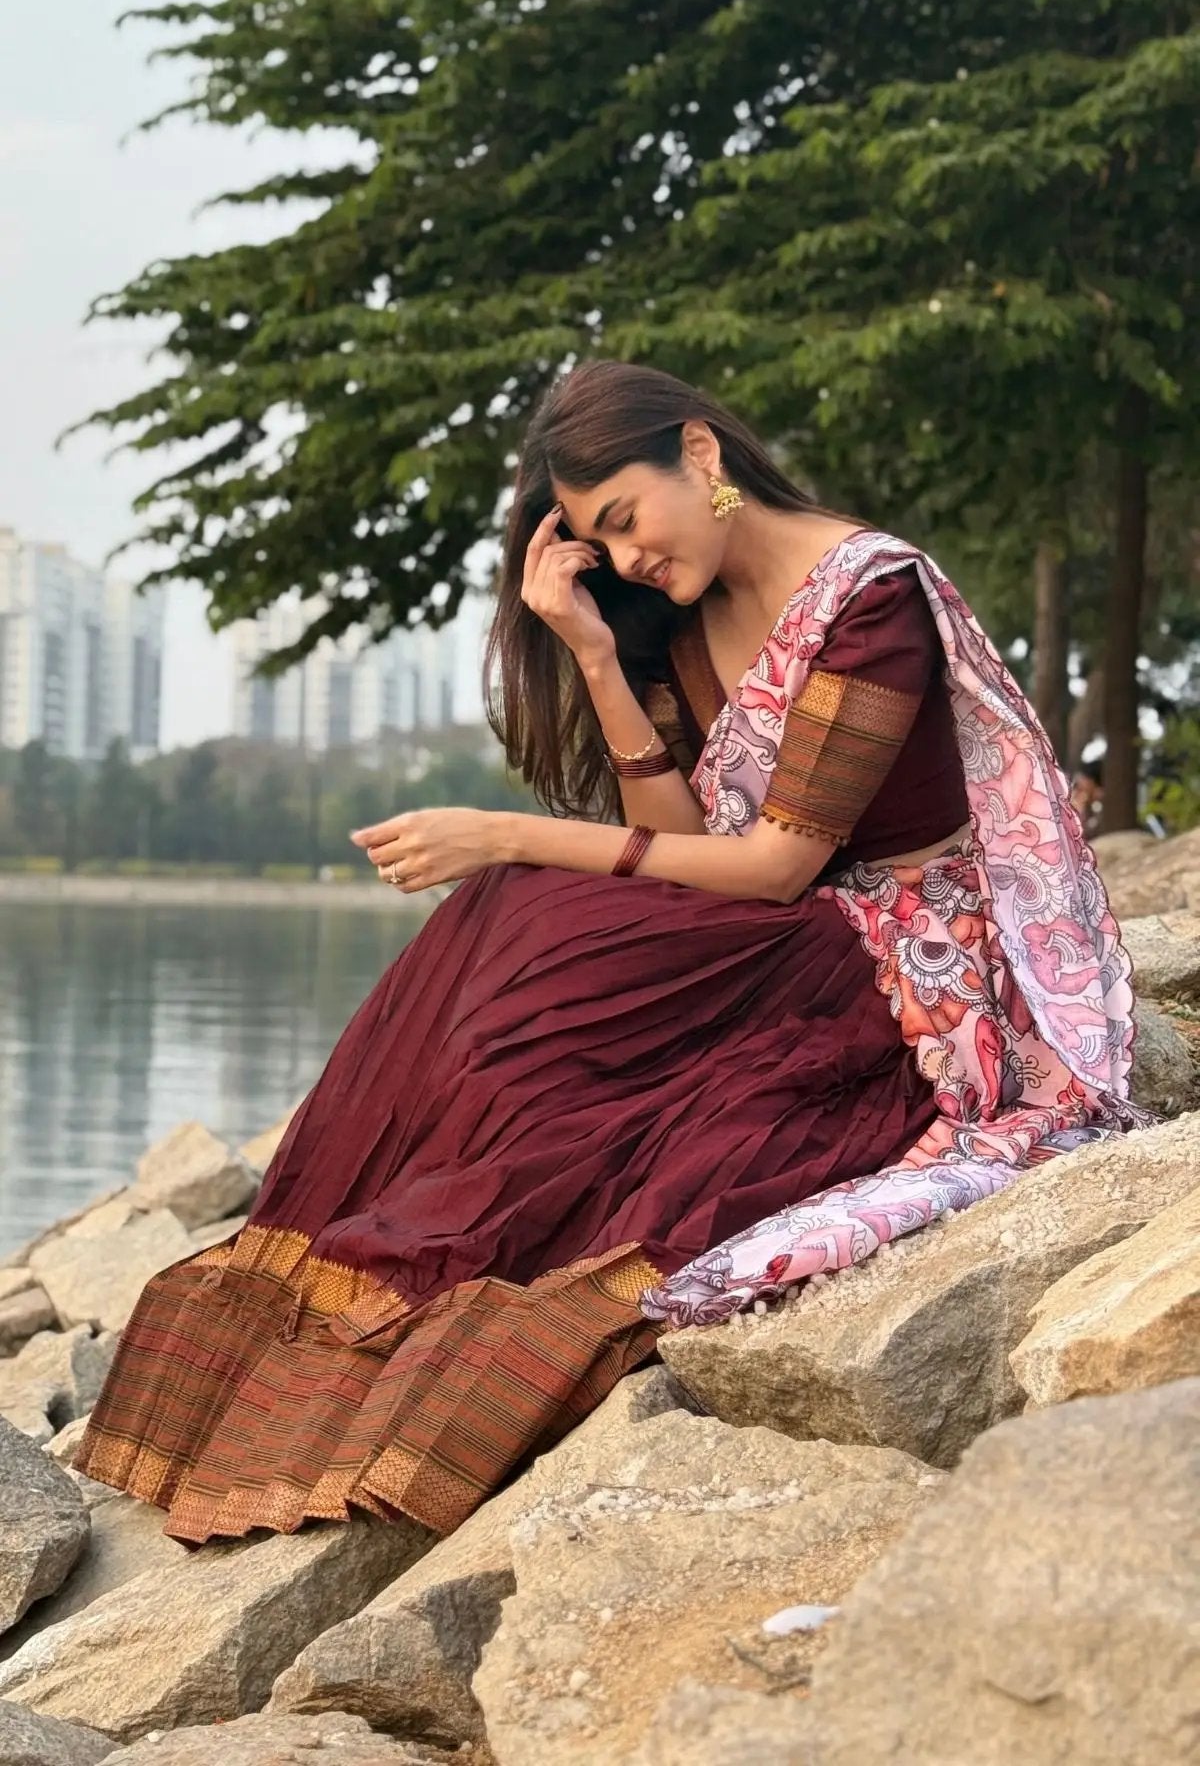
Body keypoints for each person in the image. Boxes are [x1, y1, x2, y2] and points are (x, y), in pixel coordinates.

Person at [75, 361, 1143, 1546]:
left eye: (625, 520)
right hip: (781, 937)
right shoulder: (671, 622)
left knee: (530, 909)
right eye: (597, 541)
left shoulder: (865, 597)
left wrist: (506, 834)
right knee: (513, 929)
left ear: (700, 453)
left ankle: (449, 1296)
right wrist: (589, 651)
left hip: (905, 969)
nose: (626, 559)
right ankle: (367, 1278)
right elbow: (692, 852)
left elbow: (780, 865)